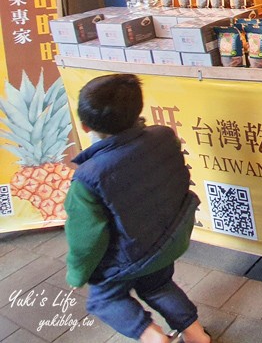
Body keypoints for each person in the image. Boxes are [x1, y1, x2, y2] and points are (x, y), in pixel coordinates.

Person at [65, 73, 210, 343]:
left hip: (131, 256)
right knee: (158, 284)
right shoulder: (164, 136)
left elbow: (86, 239)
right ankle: (197, 335)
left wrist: (77, 273)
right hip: (169, 237)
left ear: (85, 127)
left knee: (103, 299)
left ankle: (154, 337)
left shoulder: (88, 177)